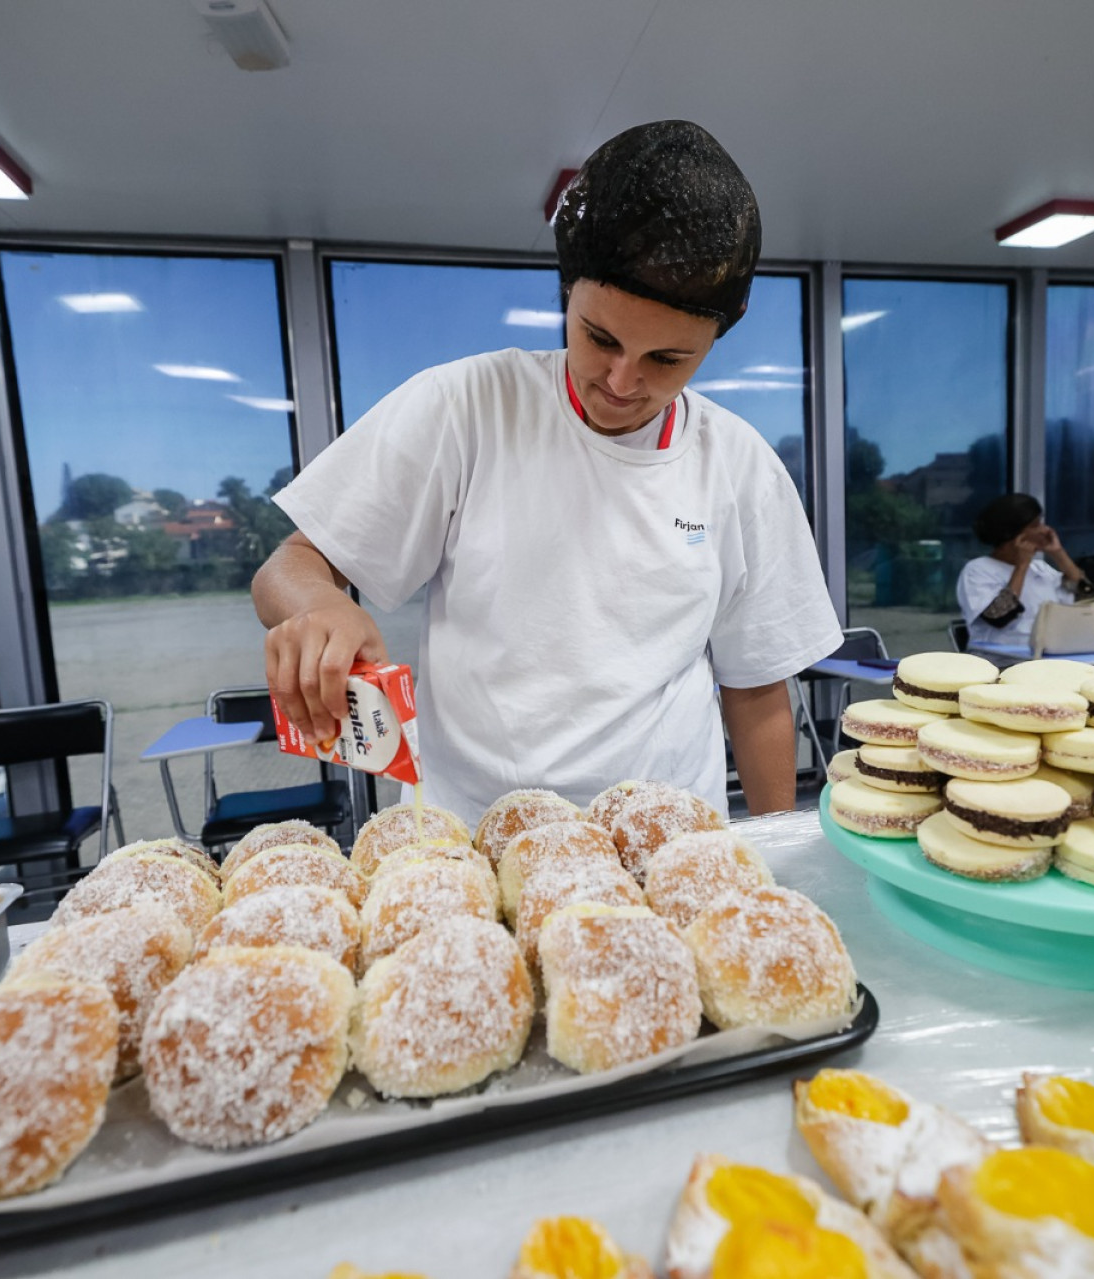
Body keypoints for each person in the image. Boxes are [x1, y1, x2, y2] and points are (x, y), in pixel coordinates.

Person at [253, 121, 839, 824]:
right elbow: (289, 565)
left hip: (665, 846)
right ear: (568, 294)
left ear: (720, 334)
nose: (622, 381)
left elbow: (756, 691)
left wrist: (774, 860)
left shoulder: (739, 466)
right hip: (472, 842)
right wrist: (320, 606)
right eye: (601, 338)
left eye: (667, 360)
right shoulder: (467, 408)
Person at [956, 493, 1094, 650]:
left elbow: (1087, 598)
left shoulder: (1040, 568)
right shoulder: (977, 570)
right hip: (1003, 662)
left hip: (1047, 658)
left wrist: (1058, 553)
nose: (1045, 530)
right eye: (1036, 525)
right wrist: (1021, 565)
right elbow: (999, 616)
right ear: (1012, 534)